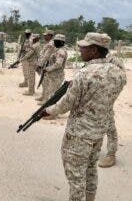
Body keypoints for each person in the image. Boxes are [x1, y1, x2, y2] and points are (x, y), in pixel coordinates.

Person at [42, 32, 126, 201]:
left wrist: (48, 111)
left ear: (94, 49)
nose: (80, 50)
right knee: (91, 170)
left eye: (84, 47)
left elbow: (67, 103)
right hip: (98, 133)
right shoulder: (119, 73)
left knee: (76, 177)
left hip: (78, 135)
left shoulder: (85, 73)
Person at [98, 55, 126, 168]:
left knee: (109, 127)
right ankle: (94, 149)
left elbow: (122, 78)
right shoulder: (96, 59)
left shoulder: (114, 60)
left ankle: (111, 155)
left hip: (106, 97)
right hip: (95, 97)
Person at [42, 34, 67, 119]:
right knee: (51, 94)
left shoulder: (61, 51)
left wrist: (47, 69)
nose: (54, 42)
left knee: (53, 96)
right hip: (53, 76)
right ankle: (53, 111)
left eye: (56, 41)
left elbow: (58, 64)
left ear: (60, 42)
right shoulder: (57, 50)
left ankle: (52, 114)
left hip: (56, 76)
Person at [35, 29, 55, 104]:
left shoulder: (51, 43)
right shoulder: (48, 43)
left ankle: (45, 100)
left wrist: (39, 65)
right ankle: (43, 96)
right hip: (44, 64)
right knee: (43, 81)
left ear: (50, 36)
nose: (44, 36)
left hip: (47, 64)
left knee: (46, 82)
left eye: (46, 35)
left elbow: (46, 56)